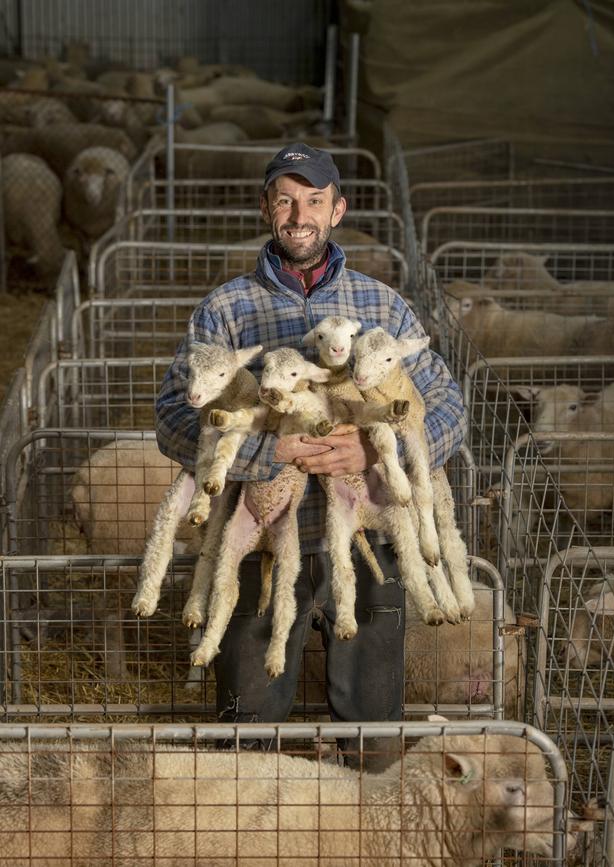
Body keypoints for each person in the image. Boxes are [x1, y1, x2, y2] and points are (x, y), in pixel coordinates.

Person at [156, 142, 467, 760]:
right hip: (261, 540)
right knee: (249, 732)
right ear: (267, 208)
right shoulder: (225, 311)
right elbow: (171, 418)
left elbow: (450, 407)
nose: (300, 215)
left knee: (373, 737)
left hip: (368, 540)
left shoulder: (382, 305)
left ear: (338, 209)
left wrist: (374, 455)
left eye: (314, 201)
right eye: (286, 200)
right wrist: (269, 453)